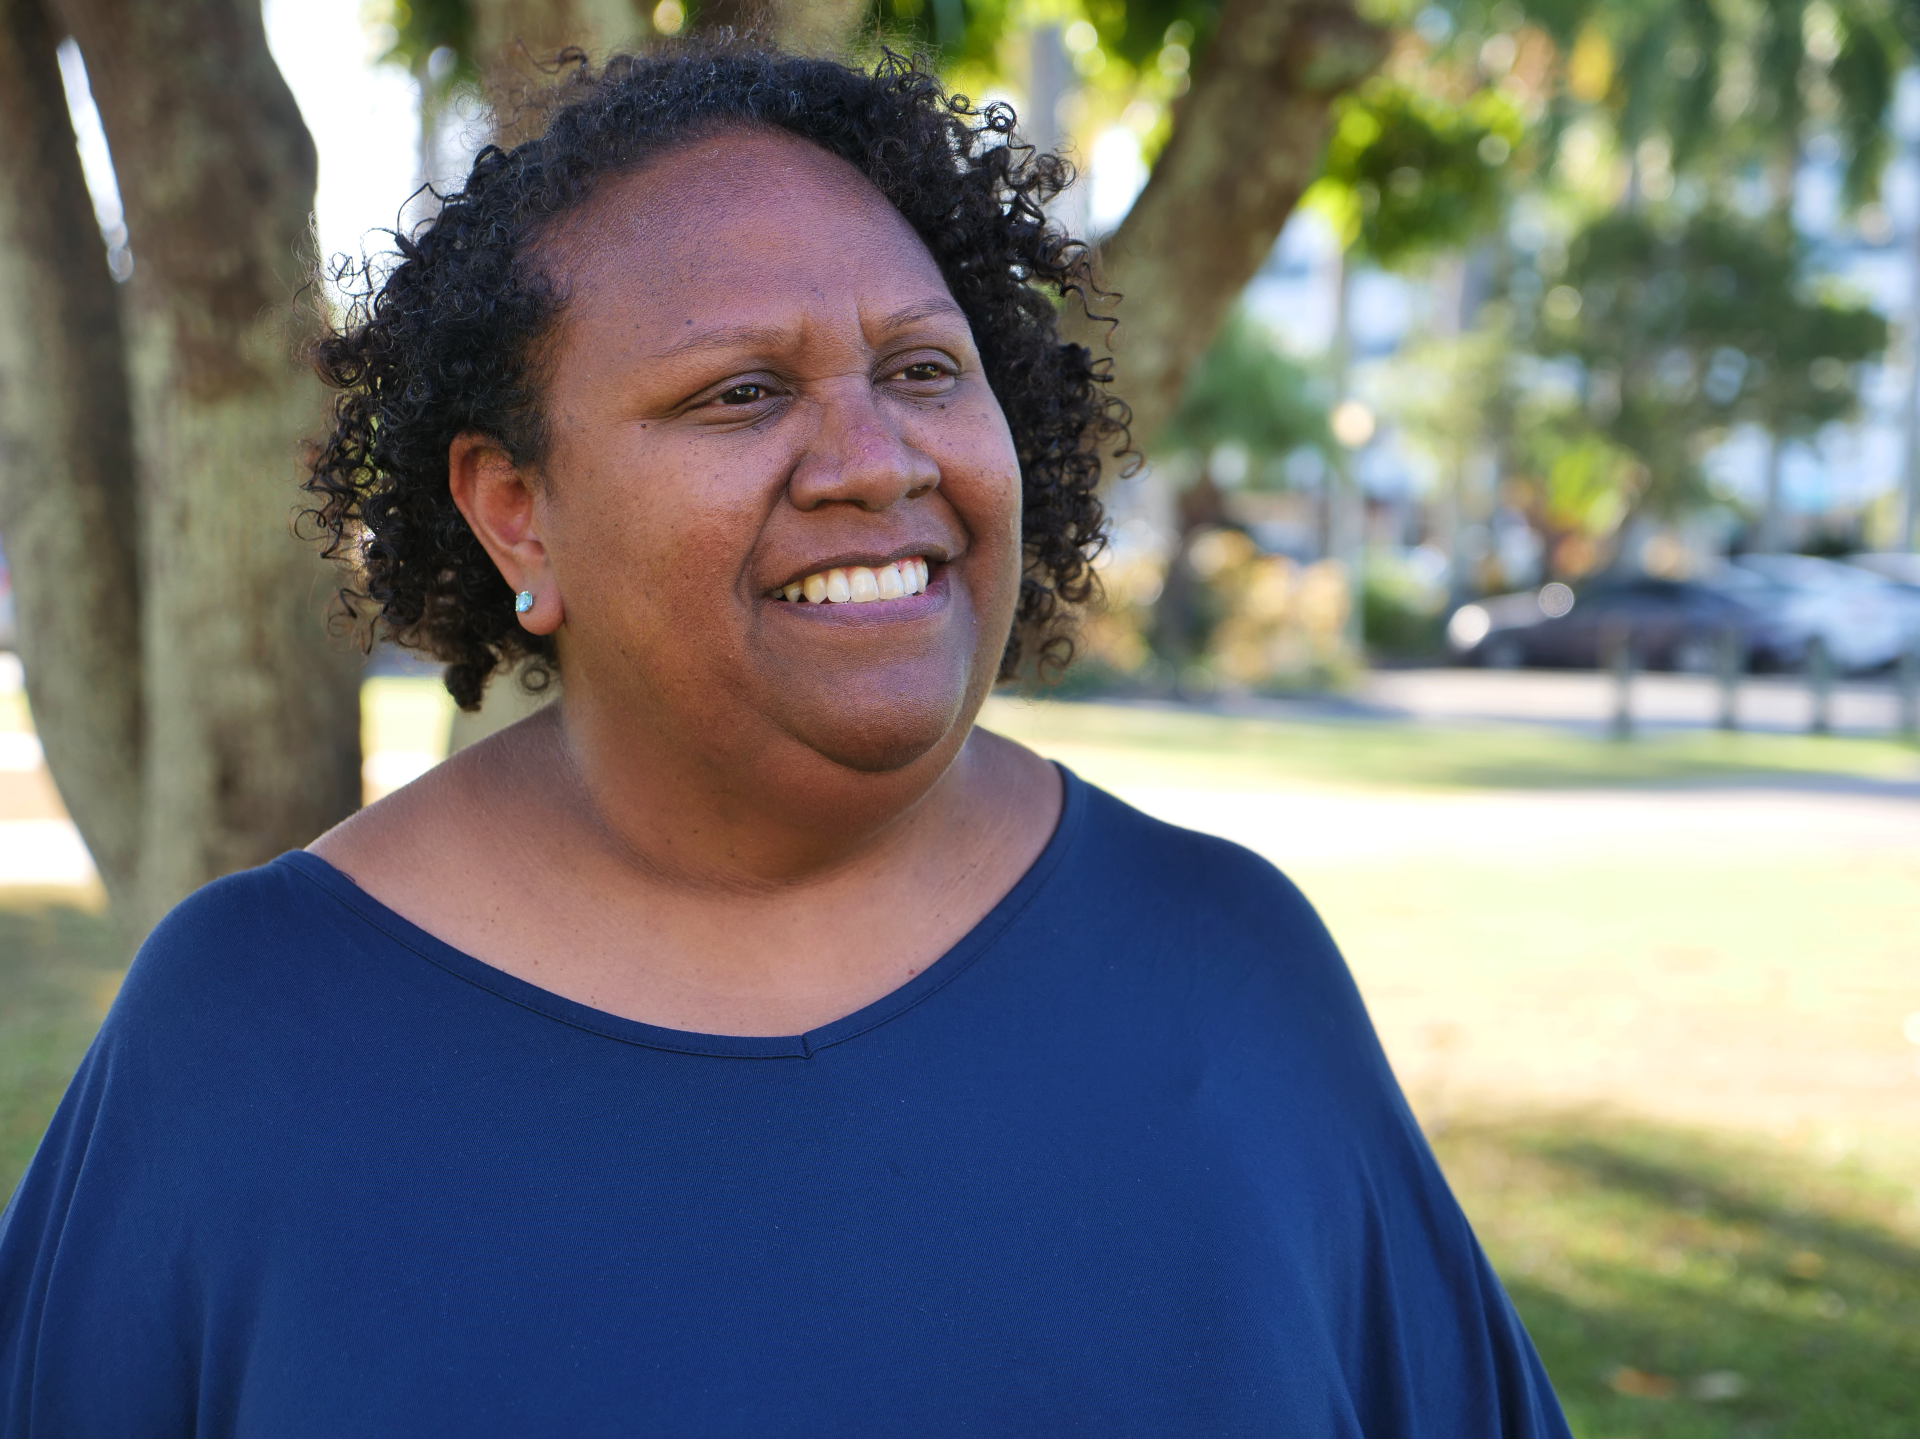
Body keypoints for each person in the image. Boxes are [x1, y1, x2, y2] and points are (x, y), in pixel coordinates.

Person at [0, 47, 1567, 1438]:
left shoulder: (1227, 974)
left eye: (924, 370)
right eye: (742, 393)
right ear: (515, 508)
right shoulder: (251, 1037)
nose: (874, 461)